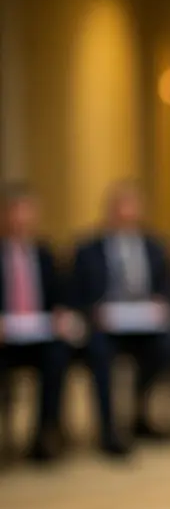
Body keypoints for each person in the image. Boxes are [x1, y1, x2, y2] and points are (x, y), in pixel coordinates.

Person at [73, 182, 170, 457]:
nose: (127, 214)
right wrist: (94, 312)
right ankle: (109, 428)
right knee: (99, 351)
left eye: (133, 207)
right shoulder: (88, 249)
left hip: (146, 324)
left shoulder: (154, 246)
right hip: (106, 327)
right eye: (122, 207)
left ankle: (140, 409)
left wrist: (163, 303)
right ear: (109, 212)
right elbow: (75, 292)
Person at [0, 186, 77, 462]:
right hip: (5, 342)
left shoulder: (44, 254)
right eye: (15, 212)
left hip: (38, 337)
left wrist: (60, 315)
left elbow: (60, 296)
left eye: (27, 212)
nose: (22, 219)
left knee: (57, 354)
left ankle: (45, 433)